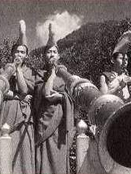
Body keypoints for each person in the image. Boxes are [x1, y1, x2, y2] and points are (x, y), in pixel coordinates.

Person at [34, 23, 76, 174]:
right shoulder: (39, 75)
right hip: (44, 124)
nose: (51, 54)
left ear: (58, 56)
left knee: (58, 160)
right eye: (49, 52)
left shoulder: (65, 75)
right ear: (44, 56)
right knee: (44, 160)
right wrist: (51, 74)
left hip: (60, 124)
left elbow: (72, 97)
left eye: (54, 52)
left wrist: (61, 96)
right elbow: (45, 93)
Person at [0, 20, 35, 174]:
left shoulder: (29, 71)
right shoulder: (3, 69)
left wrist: (18, 70)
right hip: (7, 113)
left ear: (26, 56)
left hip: (23, 115)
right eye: (17, 51)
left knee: (23, 150)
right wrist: (17, 97)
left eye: (22, 52)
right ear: (12, 54)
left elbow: (25, 89)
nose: (19, 54)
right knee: (7, 146)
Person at [100, 31, 131, 102]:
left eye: (126, 60)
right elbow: (103, 98)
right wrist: (119, 87)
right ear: (113, 60)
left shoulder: (129, 79)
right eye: (121, 58)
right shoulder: (105, 77)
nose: (124, 62)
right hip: (113, 110)